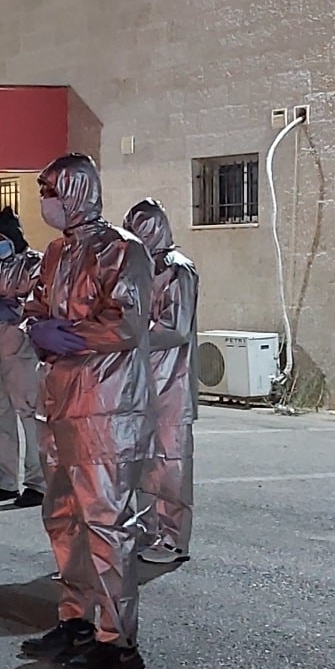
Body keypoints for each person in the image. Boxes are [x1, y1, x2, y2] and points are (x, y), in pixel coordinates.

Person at [19, 154, 155, 669]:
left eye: (50, 190)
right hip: (59, 401)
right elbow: (37, 307)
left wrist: (71, 336)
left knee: (106, 520)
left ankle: (117, 639)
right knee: (63, 515)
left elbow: (127, 324)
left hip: (105, 405)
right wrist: (36, 328)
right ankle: (75, 618)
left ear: (77, 190)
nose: (45, 202)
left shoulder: (122, 249)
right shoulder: (56, 254)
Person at [124, 198, 199, 565]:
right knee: (143, 464)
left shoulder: (178, 270)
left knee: (170, 464)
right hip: (139, 383)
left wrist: (128, 331)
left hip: (172, 383)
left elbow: (175, 328)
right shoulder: (136, 269)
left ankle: (172, 539)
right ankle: (148, 530)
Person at [0, 204, 47, 507]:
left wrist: (16, 309)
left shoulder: (35, 264)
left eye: (0, 238)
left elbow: (41, 301)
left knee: (31, 417)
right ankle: (5, 481)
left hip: (25, 353)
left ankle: (38, 484)